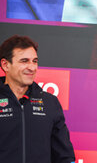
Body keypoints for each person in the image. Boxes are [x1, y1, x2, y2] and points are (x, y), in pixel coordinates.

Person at [0, 35, 75, 163]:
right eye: (24, 61)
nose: (32, 67)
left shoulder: (50, 102)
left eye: (34, 61)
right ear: (5, 65)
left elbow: (64, 156)